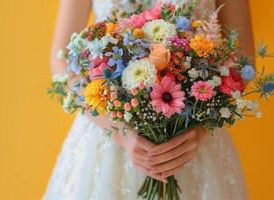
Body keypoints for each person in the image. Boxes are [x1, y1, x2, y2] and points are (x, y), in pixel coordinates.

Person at [44, 0, 254, 199]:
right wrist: (120, 132)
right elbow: (60, 61)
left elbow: (244, 61)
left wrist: (201, 129)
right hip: (107, 131)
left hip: (192, 138)